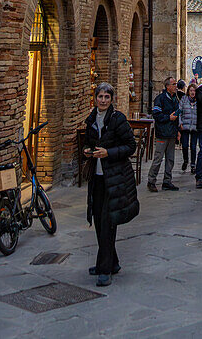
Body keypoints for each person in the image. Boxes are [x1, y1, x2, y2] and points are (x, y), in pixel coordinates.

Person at [83, 82, 139, 287]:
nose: (103, 100)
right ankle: (111, 262)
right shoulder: (91, 119)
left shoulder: (118, 119)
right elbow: (88, 143)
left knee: (108, 222)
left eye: (107, 97)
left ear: (111, 99)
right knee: (99, 220)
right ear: (95, 98)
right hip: (97, 179)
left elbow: (131, 146)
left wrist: (109, 153)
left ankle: (105, 269)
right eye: (100, 97)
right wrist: (87, 151)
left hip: (114, 178)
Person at [147, 75, 180, 192]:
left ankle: (167, 181)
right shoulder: (160, 99)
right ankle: (151, 180)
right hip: (162, 133)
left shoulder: (175, 99)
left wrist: (178, 131)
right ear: (167, 86)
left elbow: (177, 115)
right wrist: (168, 118)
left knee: (170, 159)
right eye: (173, 84)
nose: (176, 86)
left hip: (171, 133)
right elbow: (156, 114)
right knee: (158, 158)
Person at [179, 81, 198, 172]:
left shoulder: (198, 101)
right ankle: (185, 160)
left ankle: (193, 164)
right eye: (191, 90)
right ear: (188, 91)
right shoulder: (184, 99)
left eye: (194, 90)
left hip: (195, 126)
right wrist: (180, 123)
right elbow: (179, 112)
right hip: (185, 126)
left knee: (193, 146)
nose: (192, 92)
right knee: (185, 145)